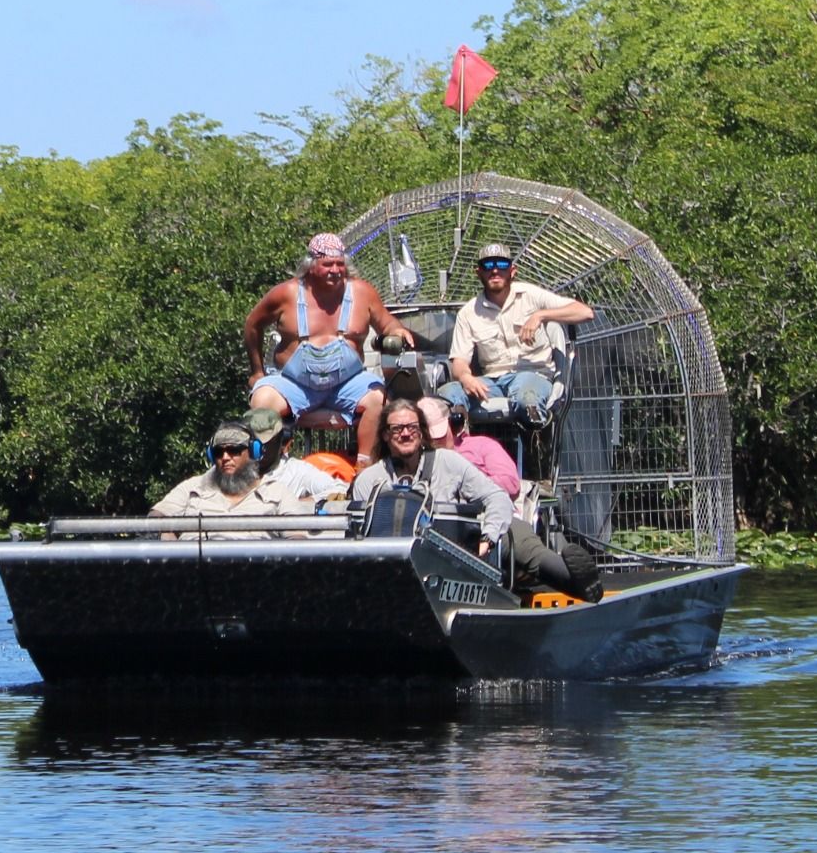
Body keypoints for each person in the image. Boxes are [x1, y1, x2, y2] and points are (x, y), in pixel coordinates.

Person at [348, 404, 596, 599]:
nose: (405, 434)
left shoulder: (457, 457)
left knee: (516, 536)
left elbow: (502, 491)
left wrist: (487, 535)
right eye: (397, 429)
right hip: (400, 560)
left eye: (412, 428)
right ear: (385, 435)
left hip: (464, 544)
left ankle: (575, 580)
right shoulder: (369, 479)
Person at [244, 233, 415, 458]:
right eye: (327, 264)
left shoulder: (362, 292)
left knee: (378, 399)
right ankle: (267, 467)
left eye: (339, 264)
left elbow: (386, 321)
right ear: (311, 266)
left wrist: (396, 330)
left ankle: (365, 468)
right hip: (294, 384)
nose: (335, 270)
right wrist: (257, 371)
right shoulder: (287, 293)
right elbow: (252, 325)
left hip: (347, 384)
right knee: (262, 401)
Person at [441, 243, 594, 427]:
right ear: (478, 273)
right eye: (488, 265)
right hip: (492, 382)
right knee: (447, 395)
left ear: (512, 271)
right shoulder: (468, 313)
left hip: (533, 375)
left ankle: (537, 446)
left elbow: (585, 312)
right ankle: (462, 447)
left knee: (526, 399)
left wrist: (540, 315)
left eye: (502, 265)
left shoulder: (531, 295)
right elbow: (459, 362)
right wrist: (466, 379)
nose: (495, 270)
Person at [150, 421, 348, 517]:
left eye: (234, 450)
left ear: (253, 453)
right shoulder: (193, 487)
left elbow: (296, 538)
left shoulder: (276, 492)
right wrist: (166, 538)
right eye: (219, 452)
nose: (225, 457)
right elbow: (156, 516)